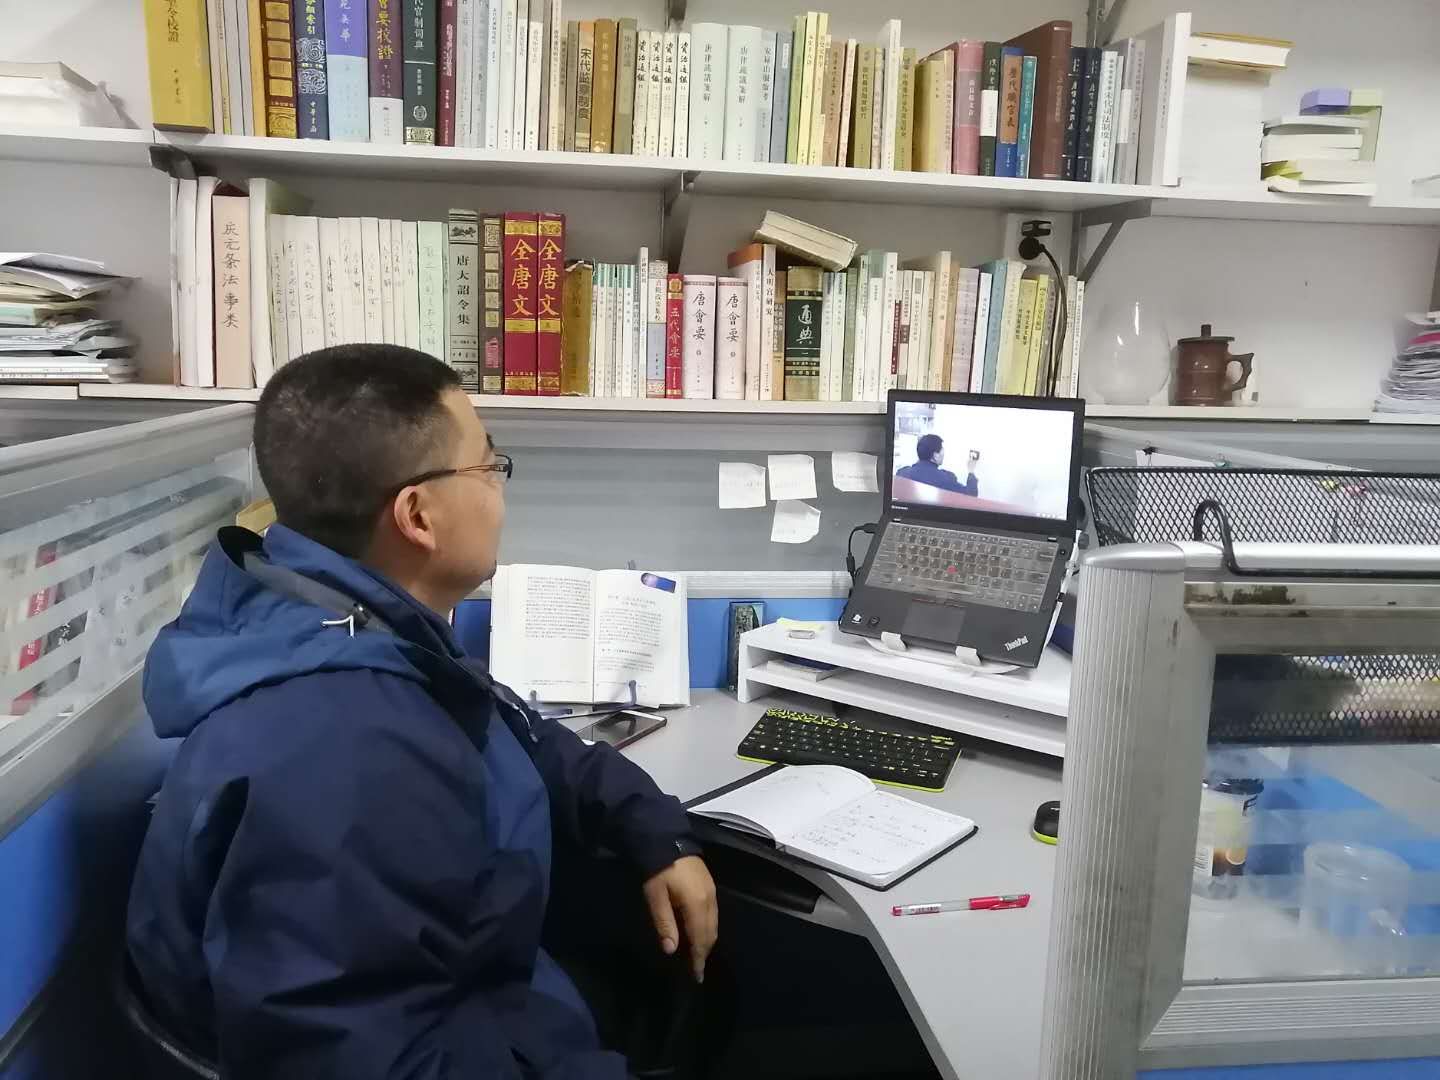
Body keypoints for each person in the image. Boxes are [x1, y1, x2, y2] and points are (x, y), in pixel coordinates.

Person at [126, 345, 718, 1079]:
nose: (500, 488)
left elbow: (516, 733)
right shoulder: (346, 748)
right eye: (489, 466)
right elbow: (371, 1058)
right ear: (418, 516)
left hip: (488, 992)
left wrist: (654, 830)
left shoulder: (339, 620)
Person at [894, 434, 980, 496]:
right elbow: (971, 495)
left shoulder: (902, 473)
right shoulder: (946, 479)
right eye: (942, 451)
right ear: (935, 455)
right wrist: (971, 471)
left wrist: (922, 457)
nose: (943, 454)